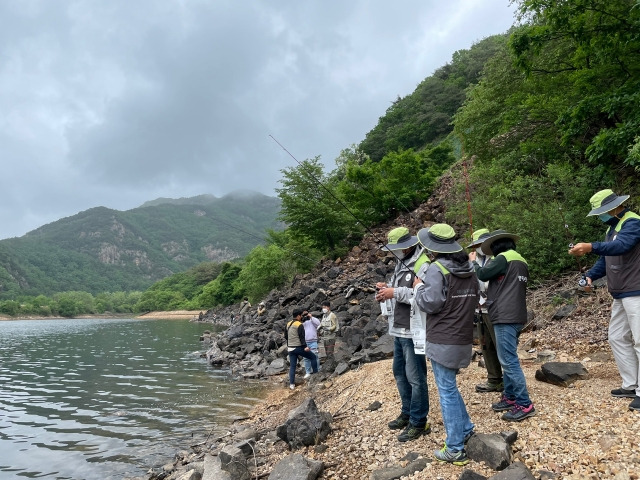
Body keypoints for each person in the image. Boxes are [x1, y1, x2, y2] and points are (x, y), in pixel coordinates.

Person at [569, 189, 640, 411]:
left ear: (613, 208)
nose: (601, 216)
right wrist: (590, 275)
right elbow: (607, 257)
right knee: (616, 337)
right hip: (621, 292)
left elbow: (622, 246)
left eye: (601, 212)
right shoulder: (613, 228)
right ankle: (630, 384)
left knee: (639, 341)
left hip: (636, 290)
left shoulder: (633, 223)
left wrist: (591, 246)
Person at [412, 224, 478, 466]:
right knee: (450, 387)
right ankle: (467, 428)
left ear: (434, 247)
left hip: (442, 340)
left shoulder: (436, 269)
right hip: (463, 338)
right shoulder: (470, 269)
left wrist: (418, 287)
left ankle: (455, 448)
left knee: (446, 391)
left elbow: (430, 303)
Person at [472, 230, 536, 422]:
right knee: (508, 357)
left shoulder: (502, 258)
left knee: (508, 360)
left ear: (496, 247)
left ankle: (524, 404)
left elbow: (482, 274)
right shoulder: (521, 260)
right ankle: (510, 396)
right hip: (517, 314)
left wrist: (474, 261)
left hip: (504, 315)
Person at [375, 226, 430, 442]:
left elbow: (423, 294)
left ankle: (419, 421)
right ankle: (407, 412)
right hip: (397, 328)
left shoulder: (423, 264)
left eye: (396, 248)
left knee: (416, 377)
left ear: (406, 247)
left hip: (413, 330)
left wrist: (394, 291)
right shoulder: (401, 263)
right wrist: (386, 288)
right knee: (399, 372)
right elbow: (399, 291)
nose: (393, 252)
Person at [467, 228, 504, 393]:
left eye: (479, 244)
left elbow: (487, 280)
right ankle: (494, 379)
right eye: (475, 245)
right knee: (486, 345)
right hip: (480, 309)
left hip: (496, 308)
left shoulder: (496, 258)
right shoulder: (475, 260)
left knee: (501, 346)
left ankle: (510, 383)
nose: (476, 248)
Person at [285, 309, 318, 390]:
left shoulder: (288, 324)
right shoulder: (299, 324)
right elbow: (302, 337)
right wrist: (305, 347)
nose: (301, 317)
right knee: (313, 357)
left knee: (293, 366)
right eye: (301, 316)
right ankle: (316, 375)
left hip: (290, 348)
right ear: (298, 316)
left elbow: (285, 336)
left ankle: (292, 384)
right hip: (298, 347)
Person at [302, 310, 321, 378]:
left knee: (315, 356)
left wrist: (311, 317)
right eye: (304, 315)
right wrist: (302, 319)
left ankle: (317, 370)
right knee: (306, 358)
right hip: (305, 342)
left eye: (306, 314)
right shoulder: (302, 323)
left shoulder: (312, 321)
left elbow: (319, 323)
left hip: (313, 341)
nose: (305, 316)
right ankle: (308, 372)